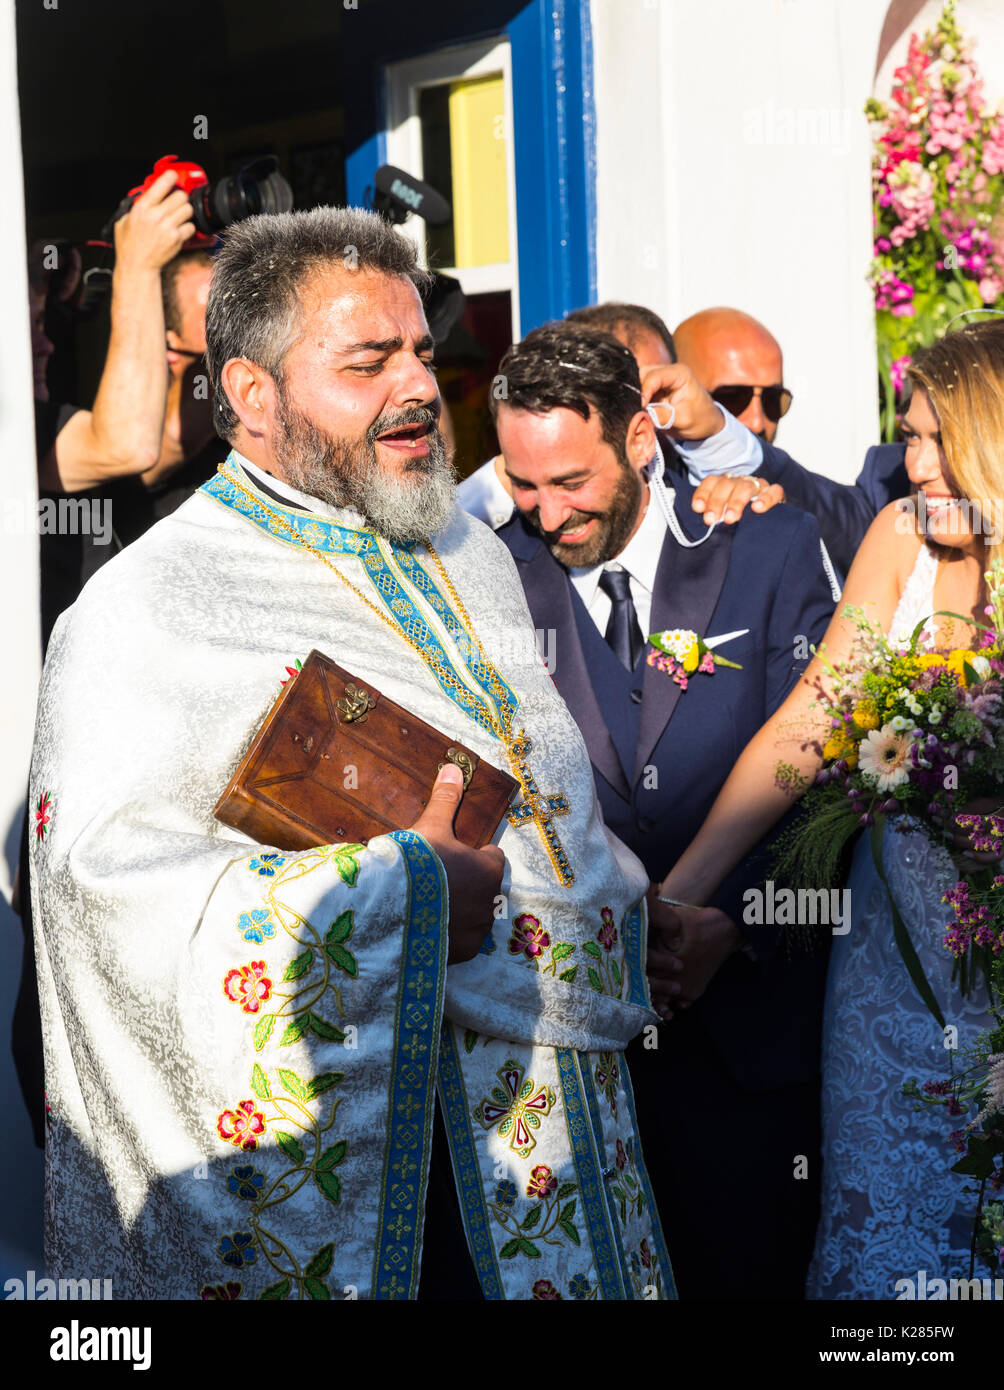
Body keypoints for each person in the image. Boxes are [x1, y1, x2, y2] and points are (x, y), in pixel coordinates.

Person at [28, 205, 681, 1301]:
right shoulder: (146, 604)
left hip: (555, 1147)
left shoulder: (462, 547)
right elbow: (97, 893)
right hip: (381, 1190)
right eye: (367, 361)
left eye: (420, 350)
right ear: (250, 394)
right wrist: (403, 892)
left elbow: (535, 791)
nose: (418, 386)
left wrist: (631, 902)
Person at [491, 320, 837, 1298]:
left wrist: (737, 921)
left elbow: (829, 771)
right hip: (579, 1064)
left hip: (747, 1044)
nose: (545, 513)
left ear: (638, 440)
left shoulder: (765, 543)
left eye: (569, 483)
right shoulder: (490, 582)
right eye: (522, 483)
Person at [658, 323, 1002, 1298]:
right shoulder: (897, 540)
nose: (915, 464)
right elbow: (806, 725)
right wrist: (674, 900)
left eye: (940, 440)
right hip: (888, 972)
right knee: (888, 1231)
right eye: (909, 437)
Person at [456, 301, 781, 533]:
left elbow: (827, 529)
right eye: (612, 393)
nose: (634, 414)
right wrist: (513, 472)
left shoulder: (719, 497)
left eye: (652, 391)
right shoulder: (525, 523)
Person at [675, 305, 910, 575]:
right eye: (732, 398)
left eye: (773, 400)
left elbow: (847, 525)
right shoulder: (647, 490)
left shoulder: (787, 498)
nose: (756, 422)